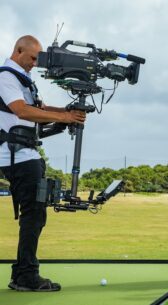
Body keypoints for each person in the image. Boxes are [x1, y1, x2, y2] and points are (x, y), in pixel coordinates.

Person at [0, 35, 86, 292]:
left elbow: (39, 108)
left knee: (34, 215)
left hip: (26, 154)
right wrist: (66, 116)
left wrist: (66, 114)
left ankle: (23, 273)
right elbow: (22, 111)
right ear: (18, 51)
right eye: (32, 58)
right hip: (17, 156)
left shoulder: (22, 80)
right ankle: (25, 275)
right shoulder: (6, 77)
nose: (35, 63)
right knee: (34, 215)